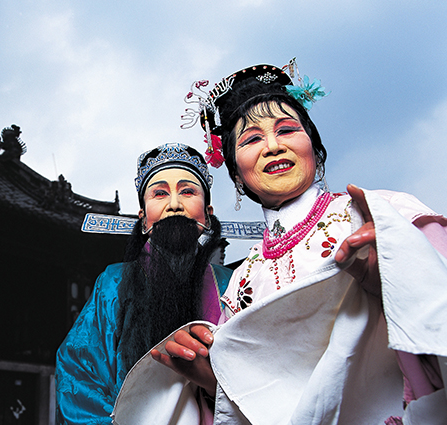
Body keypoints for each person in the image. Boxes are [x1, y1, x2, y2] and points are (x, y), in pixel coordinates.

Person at [114, 60, 447, 424]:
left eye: (287, 130)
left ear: (314, 147)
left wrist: (396, 281)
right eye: (252, 139)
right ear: (236, 173)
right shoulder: (242, 283)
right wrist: (212, 381)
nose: (273, 147)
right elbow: (260, 399)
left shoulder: (382, 215)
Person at [55, 143, 234, 424]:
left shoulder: (230, 283)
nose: (174, 204)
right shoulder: (114, 283)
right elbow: (78, 372)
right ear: (142, 219)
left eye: (188, 192)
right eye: (160, 193)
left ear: (207, 214)